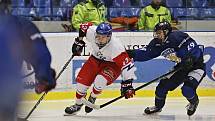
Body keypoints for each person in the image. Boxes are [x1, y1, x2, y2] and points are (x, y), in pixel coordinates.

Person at [127, 21, 205, 116]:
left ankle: (194, 102)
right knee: (162, 87)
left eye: (159, 33)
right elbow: (147, 54)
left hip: (196, 67)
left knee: (187, 90)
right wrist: (131, 54)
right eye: (156, 33)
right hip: (181, 68)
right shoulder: (158, 43)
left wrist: (191, 58)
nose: (157, 35)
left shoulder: (177, 37)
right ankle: (158, 107)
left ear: (166, 31)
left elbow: (195, 48)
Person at [0, 1, 56, 120]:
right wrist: (44, 75)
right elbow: (39, 52)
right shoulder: (18, 24)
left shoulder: (17, 25)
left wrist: (43, 75)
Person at [64, 22, 136, 115]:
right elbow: (83, 27)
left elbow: (127, 66)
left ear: (109, 36)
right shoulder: (92, 32)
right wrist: (79, 41)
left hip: (112, 65)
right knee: (81, 85)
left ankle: (93, 97)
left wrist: (127, 84)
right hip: (94, 60)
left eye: (103, 37)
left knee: (100, 80)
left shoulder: (116, 47)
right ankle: (77, 105)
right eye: (98, 36)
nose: (99, 40)